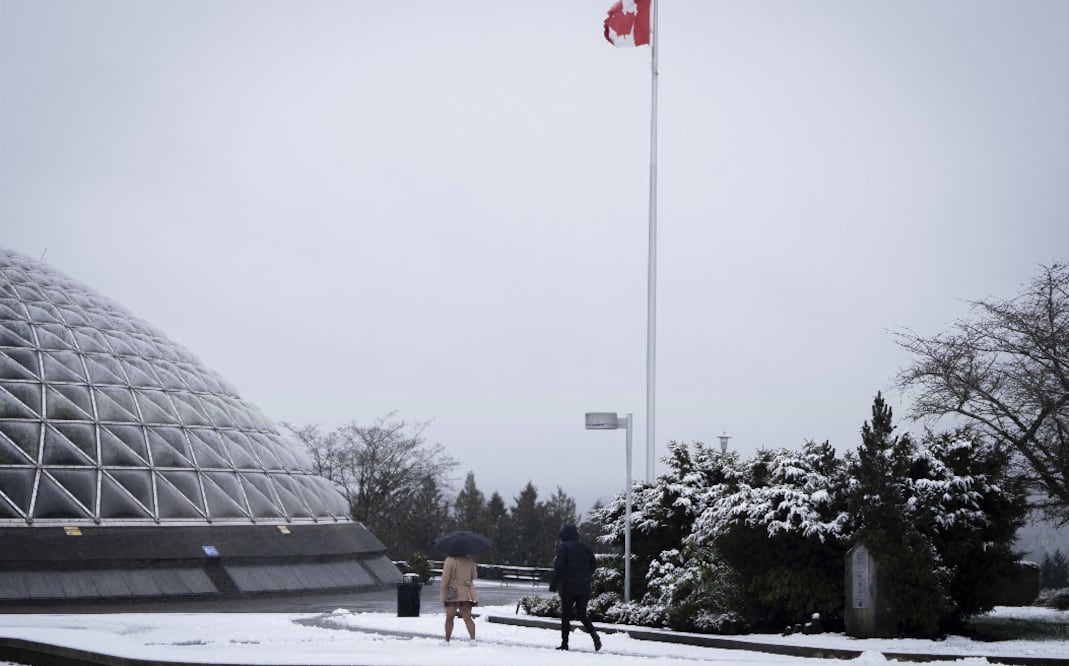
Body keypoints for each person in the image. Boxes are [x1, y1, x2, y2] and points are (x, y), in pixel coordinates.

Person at [548, 524, 602, 652]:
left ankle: (565, 643)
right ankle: (594, 635)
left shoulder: (563, 547)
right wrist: (585, 577)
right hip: (584, 587)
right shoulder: (586, 548)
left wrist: (554, 585)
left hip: (568, 587)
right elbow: (593, 566)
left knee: (566, 615)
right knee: (582, 613)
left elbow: (559, 568)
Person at [439, 553, 478, 644]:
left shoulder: (450, 560)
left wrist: (443, 591)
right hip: (467, 592)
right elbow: (474, 576)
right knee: (468, 618)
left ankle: (447, 640)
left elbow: (445, 577)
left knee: (449, 617)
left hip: (453, 592)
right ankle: (473, 640)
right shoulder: (470, 560)